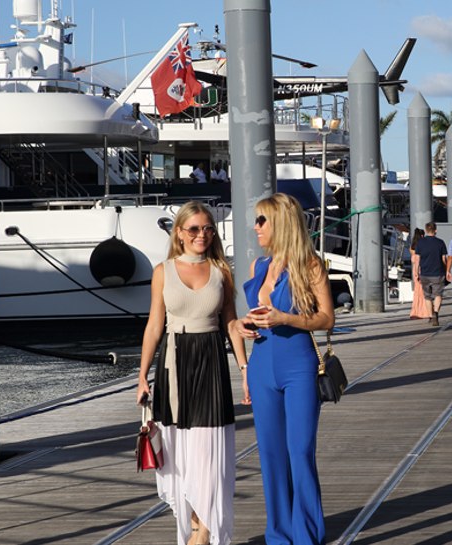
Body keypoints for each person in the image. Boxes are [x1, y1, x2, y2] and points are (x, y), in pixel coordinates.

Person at [136, 201, 247, 545]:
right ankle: (195, 524)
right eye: (195, 229)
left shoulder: (221, 270)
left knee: (210, 452)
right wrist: (141, 375)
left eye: (208, 229)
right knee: (181, 452)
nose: (202, 235)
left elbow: (230, 322)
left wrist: (245, 369)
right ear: (180, 233)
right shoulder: (162, 271)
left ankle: (204, 532)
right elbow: (155, 325)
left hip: (211, 361)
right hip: (174, 363)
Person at [232, 193, 334, 545]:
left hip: (298, 366)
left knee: (300, 451)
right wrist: (246, 324)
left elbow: (326, 318)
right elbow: (254, 317)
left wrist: (286, 317)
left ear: (281, 223)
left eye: (262, 220)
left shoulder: (310, 265)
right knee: (271, 454)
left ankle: (305, 535)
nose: (256, 227)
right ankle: (279, 535)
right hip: (262, 364)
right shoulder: (258, 267)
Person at [414, 222, 448, 326]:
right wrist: (446, 270)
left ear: (426, 230)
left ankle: (430, 315)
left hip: (424, 273)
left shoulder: (420, 243)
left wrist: (416, 272)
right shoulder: (440, 242)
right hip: (438, 273)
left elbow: (417, 259)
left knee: (427, 296)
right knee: (438, 295)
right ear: (435, 230)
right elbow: (444, 259)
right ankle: (436, 312)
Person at [408, 228, 432, 320]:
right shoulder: (423, 246)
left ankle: (416, 311)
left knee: (417, 291)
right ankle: (425, 311)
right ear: (422, 235)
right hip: (422, 269)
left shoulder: (412, 248)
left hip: (415, 270)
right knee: (424, 291)